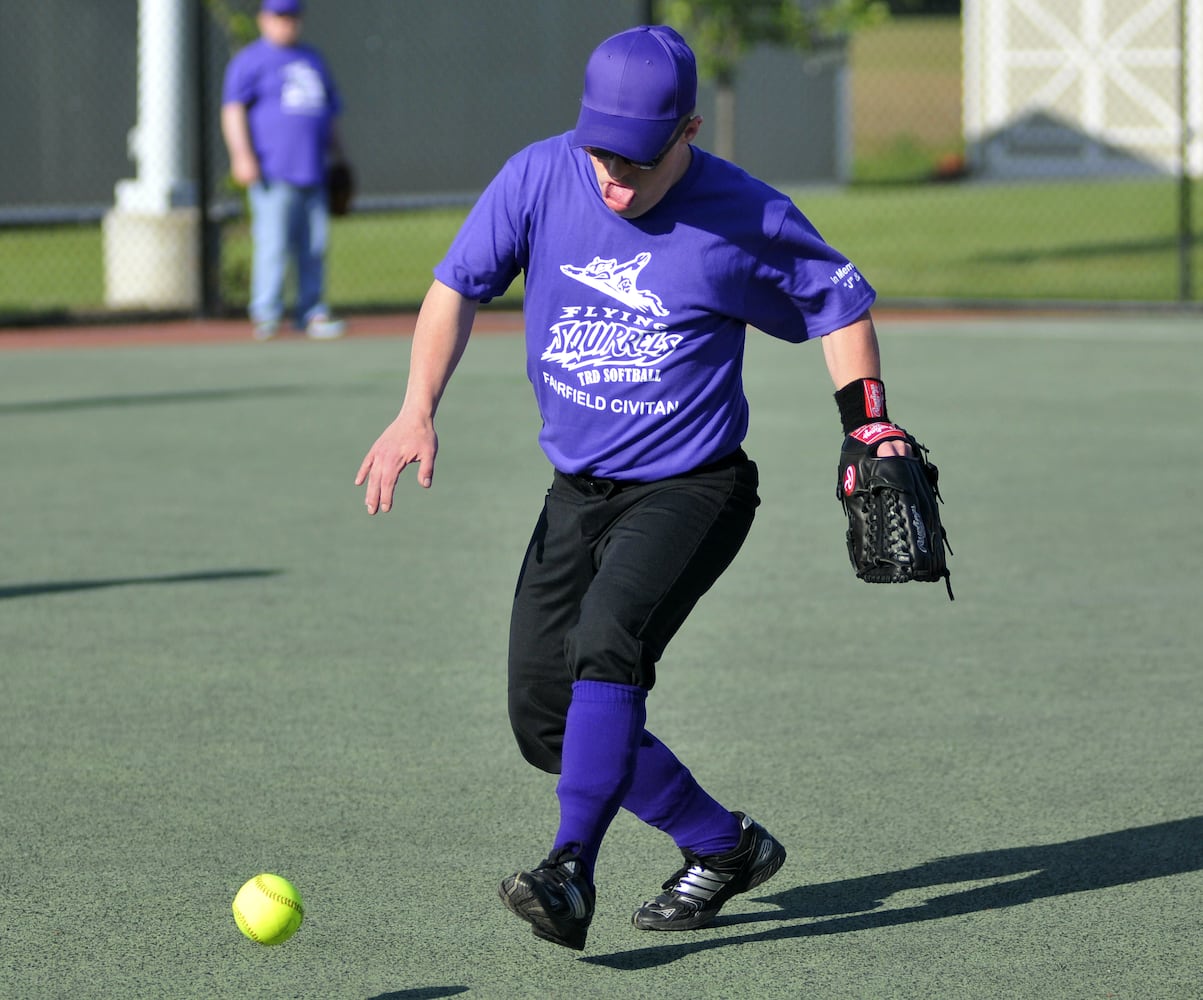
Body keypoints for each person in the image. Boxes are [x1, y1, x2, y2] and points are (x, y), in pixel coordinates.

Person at [356, 24, 909, 951]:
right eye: (601, 155)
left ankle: (569, 868)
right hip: (576, 492)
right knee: (544, 720)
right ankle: (722, 845)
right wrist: (416, 408)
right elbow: (456, 285)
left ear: (688, 131)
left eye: (636, 162)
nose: (614, 179)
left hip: (693, 488)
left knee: (605, 642)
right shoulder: (539, 174)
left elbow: (837, 304)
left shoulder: (741, 211)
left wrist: (867, 424)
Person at [221, 0, 346, 340]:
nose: (286, 23)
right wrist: (242, 156)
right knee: (273, 244)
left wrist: (339, 157)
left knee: (315, 247)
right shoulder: (251, 60)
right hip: (272, 171)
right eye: (279, 16)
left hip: (313, 170)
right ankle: (267, 313)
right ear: (263, 19)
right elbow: (232, 110)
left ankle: (311, 311)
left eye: (292, 16)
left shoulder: (312, 59)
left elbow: (329, 112)